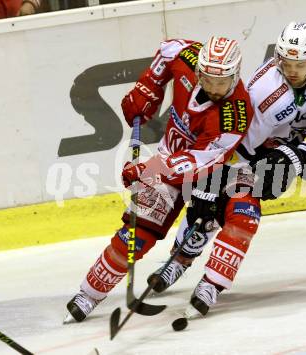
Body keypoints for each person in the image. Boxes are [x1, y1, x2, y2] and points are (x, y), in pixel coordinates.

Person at [149, 21, 306, 316]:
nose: (292, 69)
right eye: (286, 61)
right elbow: (240, 147)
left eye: (300, 63)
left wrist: (293, 158)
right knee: (220, 198)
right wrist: (215, 182)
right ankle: (179, 260)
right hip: (262, 150)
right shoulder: (262, 88)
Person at [64, 36, 254, 323]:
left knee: (231, 217)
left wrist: (148, 170)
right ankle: (89, 293)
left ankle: (204, 280)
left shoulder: (235, 113)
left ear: (236, 75)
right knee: (137, 232)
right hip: (170, 157)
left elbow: (199, 160)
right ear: (200, 71)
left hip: (215, 173)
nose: (215, 89)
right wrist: (148, 87)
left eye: (223, 82)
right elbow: (170, 48)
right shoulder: (188, 57)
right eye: (208, 80)